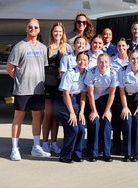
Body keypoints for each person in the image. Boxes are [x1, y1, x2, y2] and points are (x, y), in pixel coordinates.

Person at [6, 19, 51, 160]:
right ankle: (14, 148)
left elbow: (43, 67)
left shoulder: (42, 48)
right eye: (30, 27)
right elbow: (9, 68)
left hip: (38, 89)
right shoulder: (19, 47)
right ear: (26, 29)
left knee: (37, 116)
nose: (32, 29)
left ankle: (36, 147)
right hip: (23, 90)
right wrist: (20, 79)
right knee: (18, 118)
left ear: (39, 30)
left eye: (35, 27)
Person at [41, 22, 72, 155]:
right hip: (48, 85)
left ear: (63, 33)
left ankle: (54, 143)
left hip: (61, 86)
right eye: (55, 31)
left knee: (56, 115)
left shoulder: (67, 48)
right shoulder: (45, 48)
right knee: (48, 114)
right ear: (52, 32)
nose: (57, 34)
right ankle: (45, 143)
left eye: (60, 31)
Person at [56, 50, 89, 163]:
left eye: (85, 60)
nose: (82, 62)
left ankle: (76, 154)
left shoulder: (86, 74)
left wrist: (81, 112)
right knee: (73, 128)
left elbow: (84, 95)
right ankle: (65, 155)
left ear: (88, 62)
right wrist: (71, 113)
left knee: (81, 129)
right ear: (76, 61)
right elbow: (65, 93)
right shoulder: (70, 73)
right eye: (80, 60)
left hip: (75, 100)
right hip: (63, 101)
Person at [83, 52, 117, 162]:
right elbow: (90, 93)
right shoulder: (91, 72)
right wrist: (93, 110)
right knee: (94, 122)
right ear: (97, 63)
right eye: (101, 62)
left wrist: (107, 111)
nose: (103, 64)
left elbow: (112, 93)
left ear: (109, 63)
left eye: (106, 62)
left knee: (106, 122)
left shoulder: (113, 73)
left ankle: (107, 153)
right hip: (94, 98)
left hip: (106, 98)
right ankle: (93, 152)